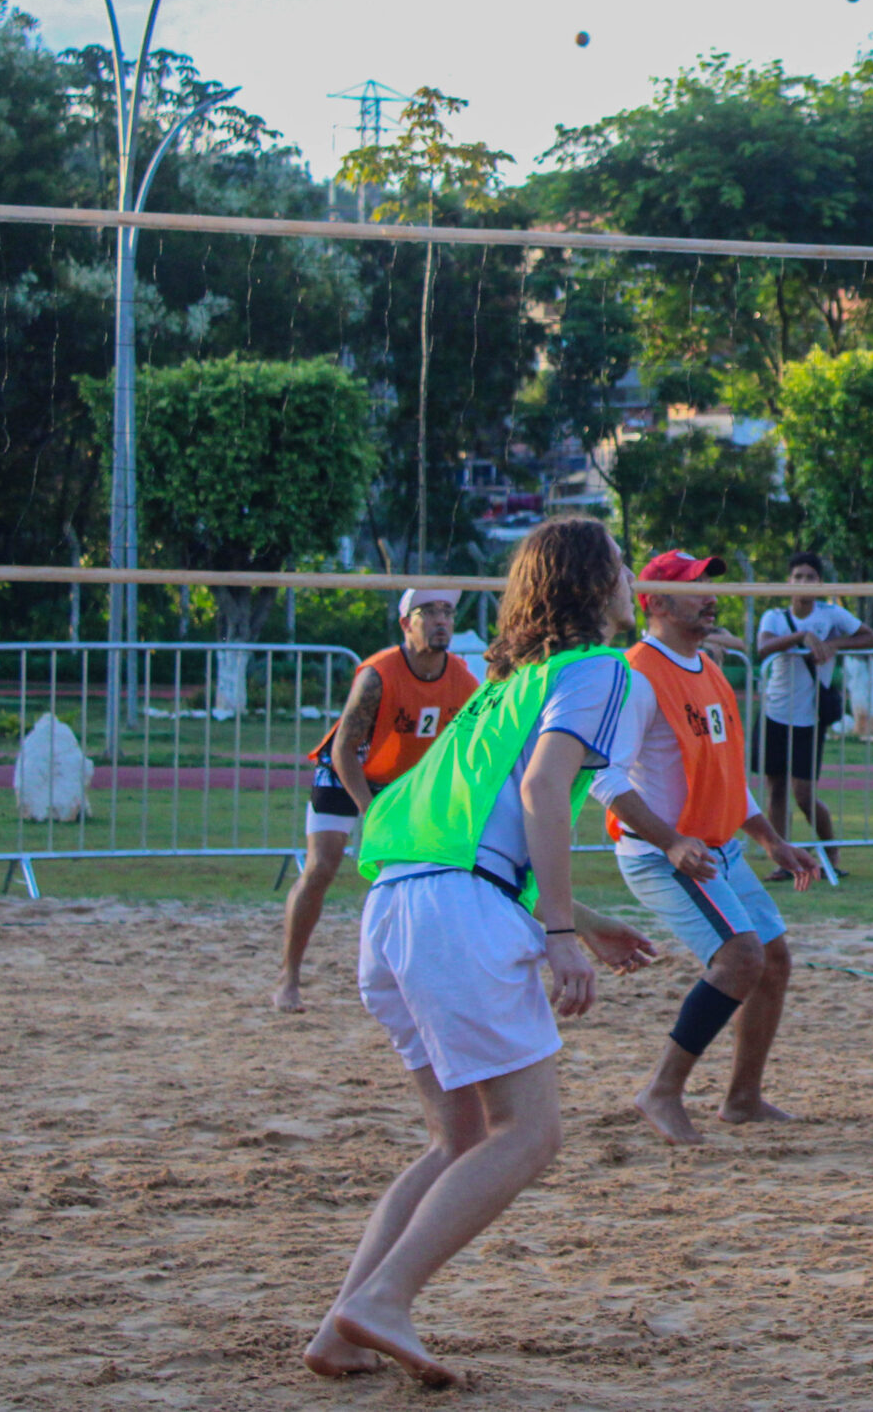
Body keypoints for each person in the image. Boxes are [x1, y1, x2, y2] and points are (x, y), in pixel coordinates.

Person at [308, 518, 660, 1385]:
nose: (629, 578)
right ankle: (384, 1297)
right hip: (460, 912)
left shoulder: (505, 682)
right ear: (592, 584)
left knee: (457, 1134)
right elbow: (543, 791)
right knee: (528, 1133)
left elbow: (487, 821)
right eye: (618, 563)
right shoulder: (602, 671)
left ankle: (341, 1328)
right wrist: (560, 935)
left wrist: (579, 915)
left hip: (397, 908)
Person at [597, 551, 824, 1145]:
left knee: (772, 961)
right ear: (656, 601)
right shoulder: (637, 673)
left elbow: (725, 778)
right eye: (696, 586)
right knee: (740, 959)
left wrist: (771, 839)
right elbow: (606, 779)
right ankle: (661, 1090)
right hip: (661, 853)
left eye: (708, 584)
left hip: (714, 849)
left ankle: (742, 1099)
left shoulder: (708, 668)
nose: (710, 595)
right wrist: (670, 842)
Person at [273, 590, 481, 1012]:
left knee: (419, 879)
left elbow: (469, 746)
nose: (442, 620)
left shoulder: (462, 678)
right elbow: (343, 750)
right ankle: (288, 979)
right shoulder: (378, 674)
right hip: (346, 771)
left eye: (448, 612)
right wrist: (372, 811)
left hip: (400, 782)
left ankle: (417, 979)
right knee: (321, 867)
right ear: (406, 624)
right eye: (429, 613)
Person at [753, 552, 873, 863]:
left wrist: (833, 644)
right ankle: (781, 859)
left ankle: (830, 852)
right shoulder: (775, 616)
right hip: (775, 714)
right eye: (797, 577)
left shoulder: (831, 614)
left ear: (820, 583)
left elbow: (871, 638)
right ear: (788, 582)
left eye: (810, 577)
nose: (803, 582)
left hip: (809, 718)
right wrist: (801, 637)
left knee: (804, 795)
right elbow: (763, 647)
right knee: (775, 789)